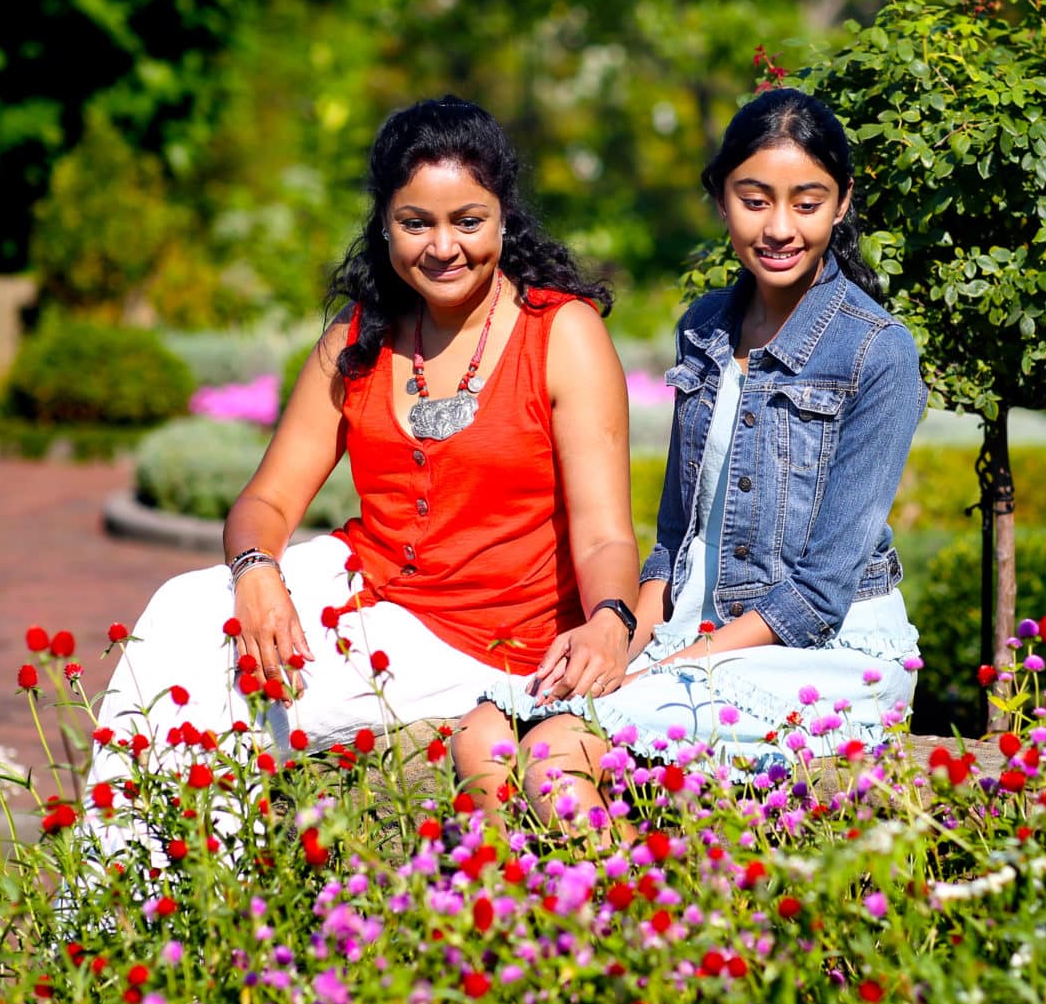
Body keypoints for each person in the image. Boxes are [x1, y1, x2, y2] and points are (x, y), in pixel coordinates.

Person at [89, 97, 640, 816]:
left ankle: (192, 878)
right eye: (417, 223)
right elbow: (267, 501)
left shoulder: (562, 333)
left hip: (488, 641)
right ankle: (118, 890)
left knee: (228, 699)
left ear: (505, 216)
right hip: (363, 591)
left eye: (467, 221)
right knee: (182, 613)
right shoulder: (359, 337)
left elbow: (605, 534)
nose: (443, 247)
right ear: (385, 225)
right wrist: (256, 573)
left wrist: (610, 619)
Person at [475, 88, 927, 821]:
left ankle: (607, 926)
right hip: (699, 635)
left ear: (843, 203)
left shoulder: (878, 352)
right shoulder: (707, 327)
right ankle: (510, 919)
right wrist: (621, 637)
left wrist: (669, 666)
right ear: (721, 199)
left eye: (806, 203)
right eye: (755, 200)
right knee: (486, 732)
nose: (779, 227)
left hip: (820, 657)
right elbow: (675, 545)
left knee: (556, 743)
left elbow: (817, 597)